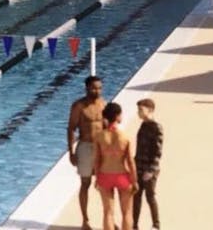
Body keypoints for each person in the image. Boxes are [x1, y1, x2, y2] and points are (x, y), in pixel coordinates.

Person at [68, 75, 106, 230]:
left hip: (101, 148)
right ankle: (85, 220)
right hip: (85, 146)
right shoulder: (79, 106)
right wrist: (71, 152)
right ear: (87, 88)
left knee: (105, 185)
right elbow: (71, 129)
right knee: (85, 183)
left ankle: (108, 219)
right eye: (94, 88)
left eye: (99, 88)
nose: (97, 91)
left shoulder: (104, 104)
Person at [93, 102, 137, 230]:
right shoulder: (125, 137)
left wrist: (97, 178)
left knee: (108, 213)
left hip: (105, 175)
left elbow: (97, 160)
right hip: (122, 175)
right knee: (127, 213)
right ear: (117, 116)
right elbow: (130, 161)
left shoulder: (99, 136)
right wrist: (134, 180)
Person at [133, 98, 163, 230]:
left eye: (141, 110)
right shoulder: (143, 125)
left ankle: (156, 225)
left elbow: (158, 151)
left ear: (150, 110)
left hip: (149, 168)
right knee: (136, 196)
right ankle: (134, 225)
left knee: (150, 196)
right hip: (139, 166)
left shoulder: (156, 127)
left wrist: (150, 170)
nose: (138, 112)